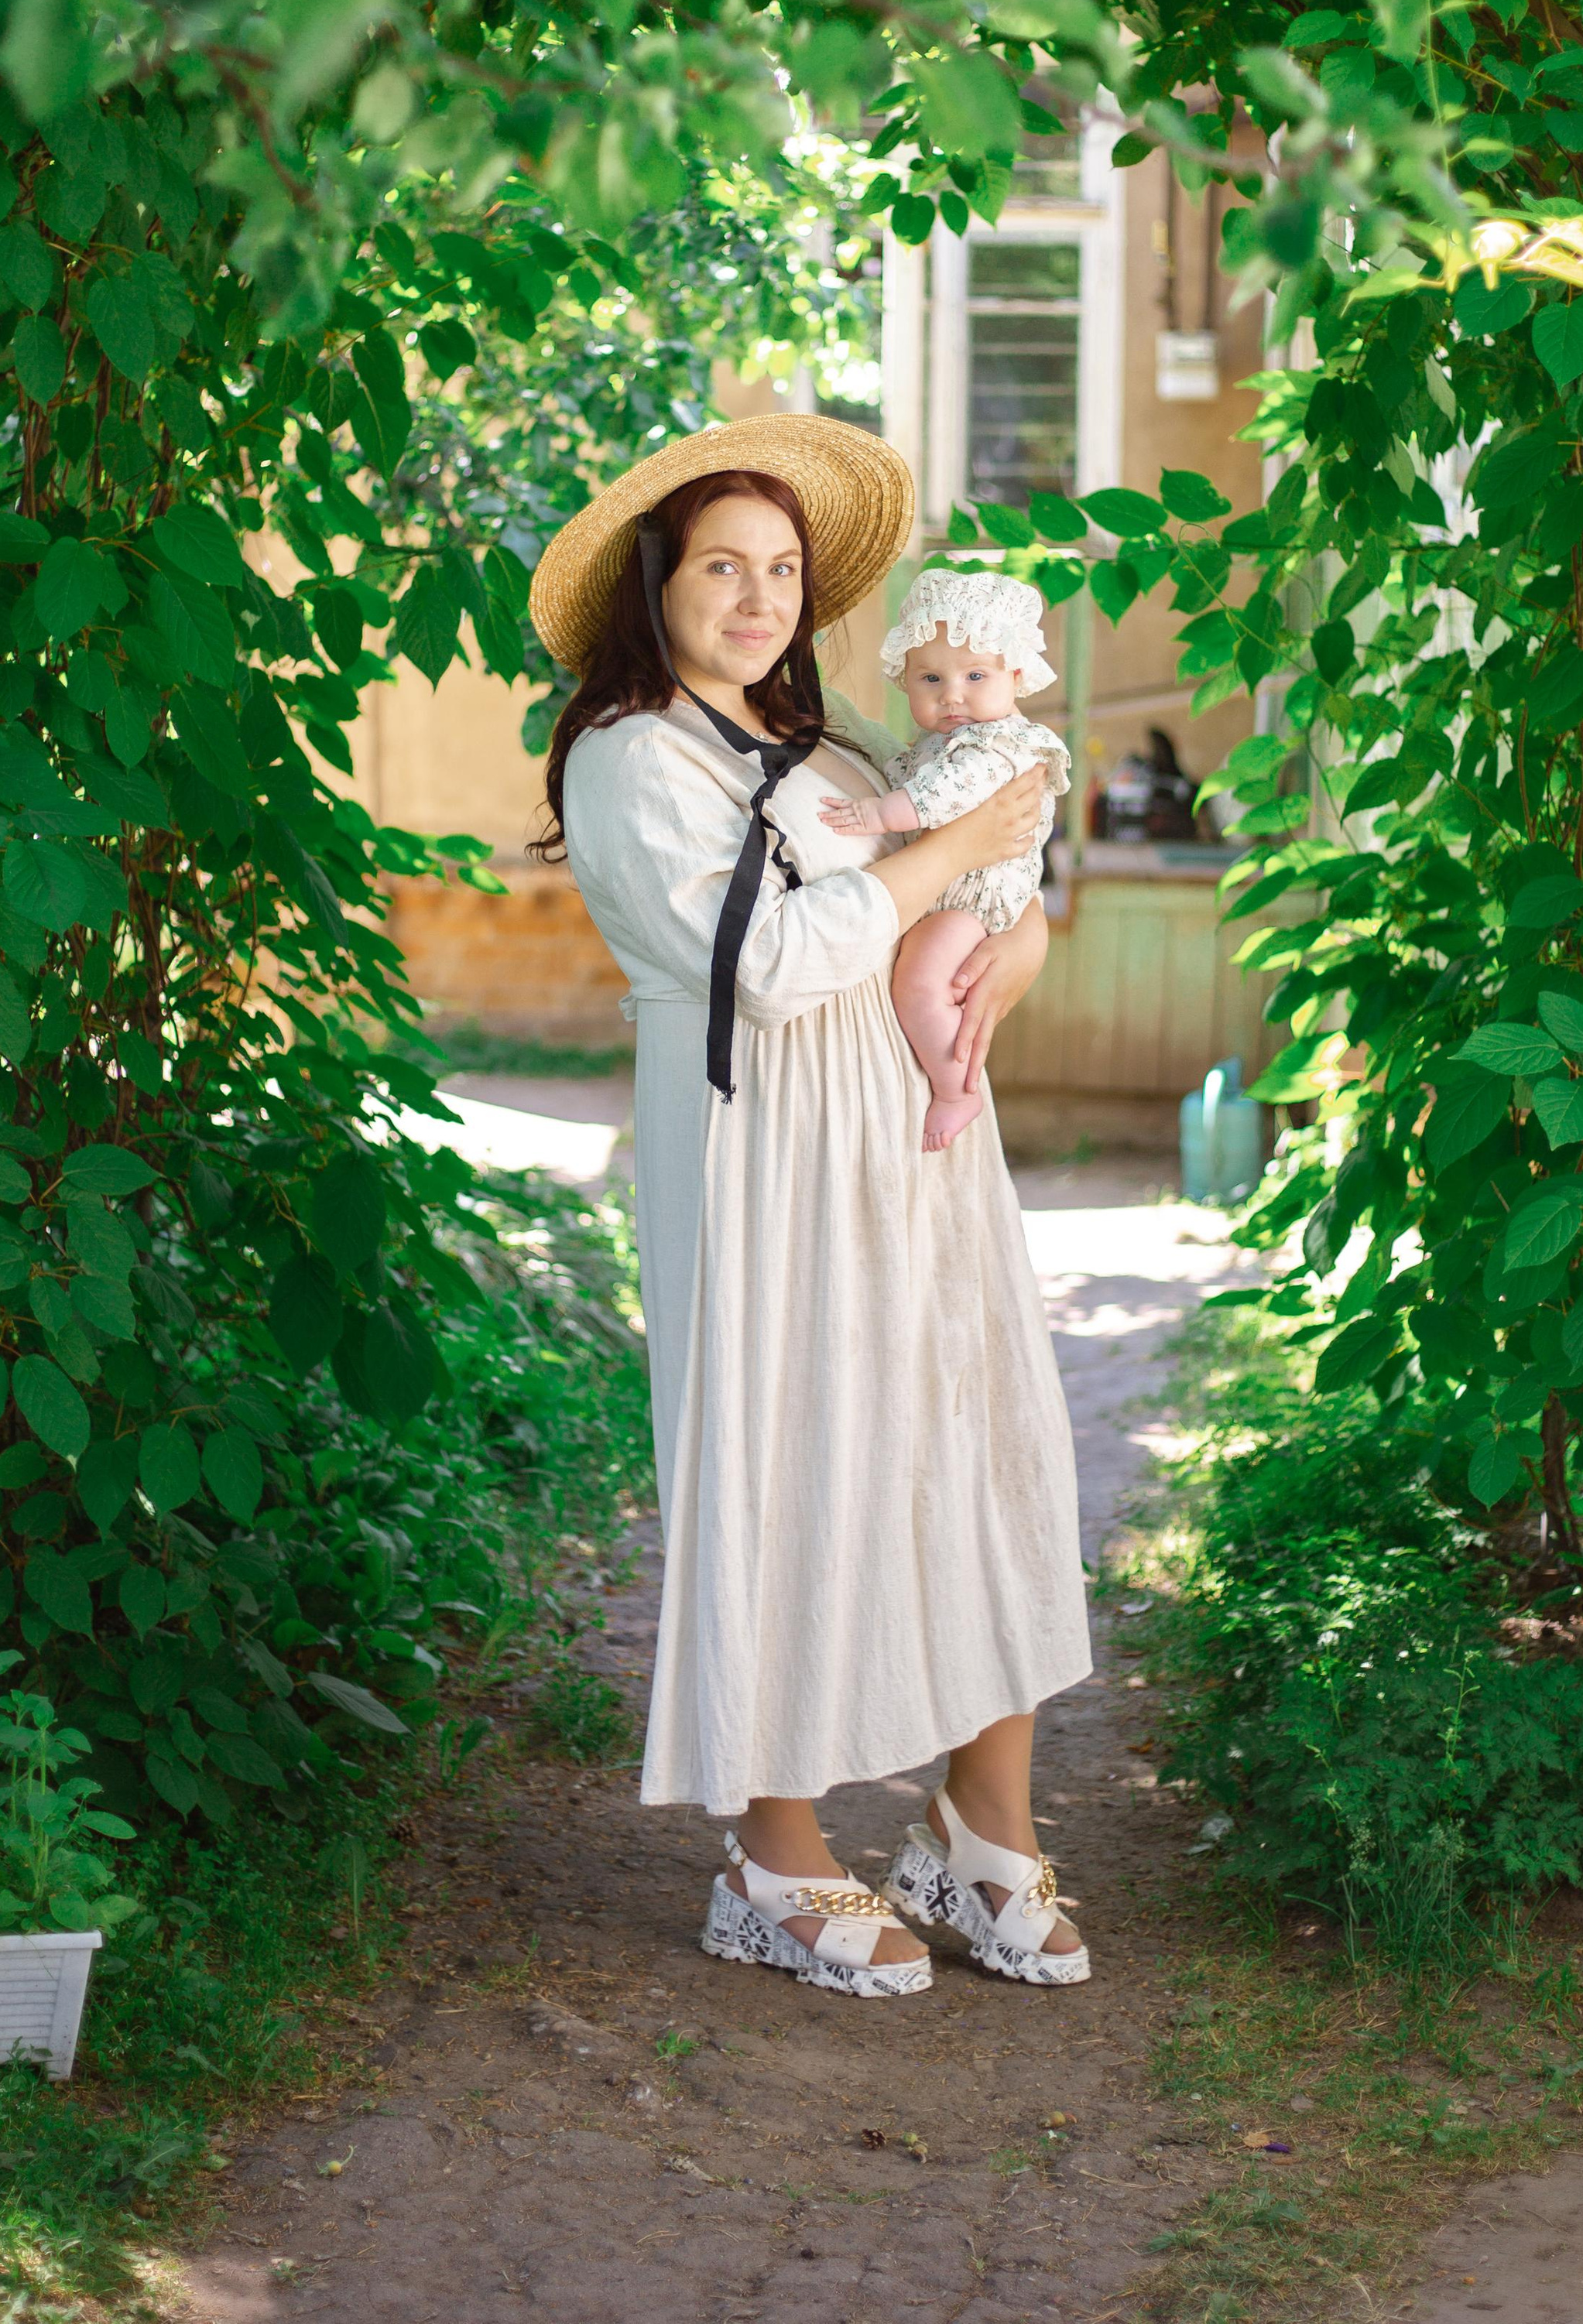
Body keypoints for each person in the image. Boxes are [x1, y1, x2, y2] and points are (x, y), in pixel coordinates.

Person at [527, 416, 1094, 1998]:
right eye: (723, 565)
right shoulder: (633, 757)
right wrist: (949, 859)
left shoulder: (837, 747)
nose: (758, 596)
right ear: (659, 583)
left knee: (980, 1457)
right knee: (799, 1465)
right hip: (766, 1163)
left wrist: (1009, 938)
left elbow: (995, 897)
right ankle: (774, 1852)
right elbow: (770, 970)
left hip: (913, 1157)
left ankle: (981, 1834)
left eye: (781, 570)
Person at [817, 568, 1070, 1153]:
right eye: (931, 677)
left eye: (975, 675)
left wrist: (881, 815)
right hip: (955, 893)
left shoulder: (1001, 744)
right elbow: (906, 766)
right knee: (927, 979)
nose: (951, 693)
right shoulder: (941, 741)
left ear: (1015, 675)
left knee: (923, 980)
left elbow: (950, 792)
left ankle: (958, 1088)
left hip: (975, 901)